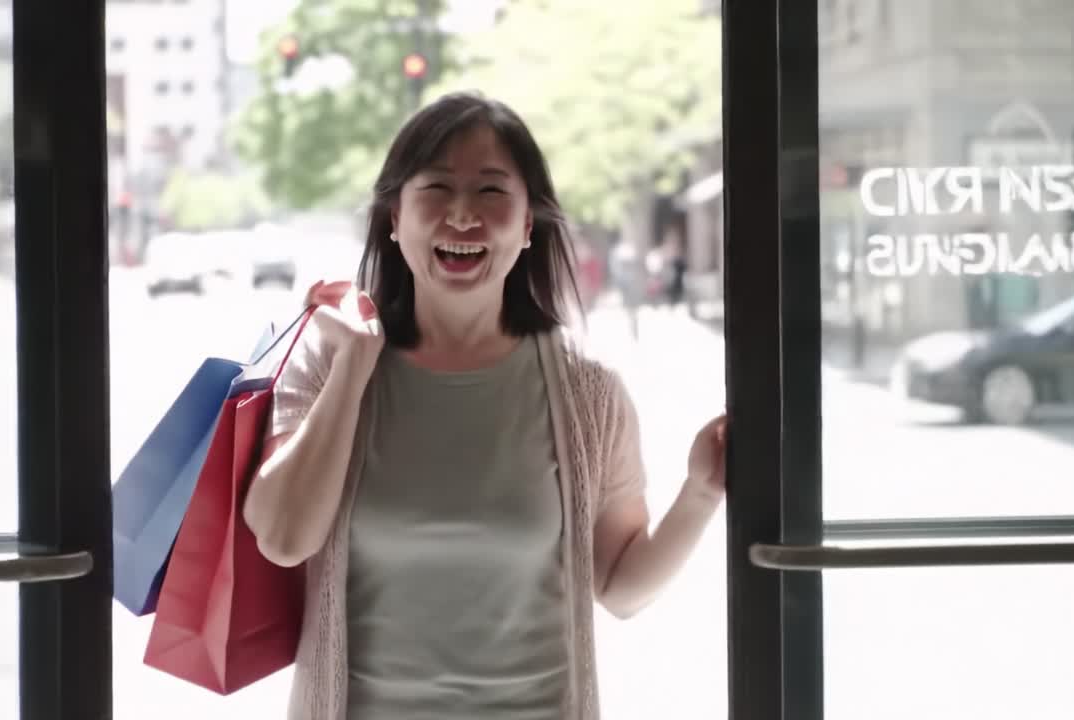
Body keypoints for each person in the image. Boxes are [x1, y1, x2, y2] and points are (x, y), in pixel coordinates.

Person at [244, 92, 727, 720]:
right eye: (437, 190)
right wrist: (353, 368)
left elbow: (620, 587)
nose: (463, 217)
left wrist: (700, 492)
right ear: (395, 217)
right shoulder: (328, 365)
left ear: (528, 224)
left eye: (492, 193)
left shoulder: (588, 394)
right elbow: (283, 538)